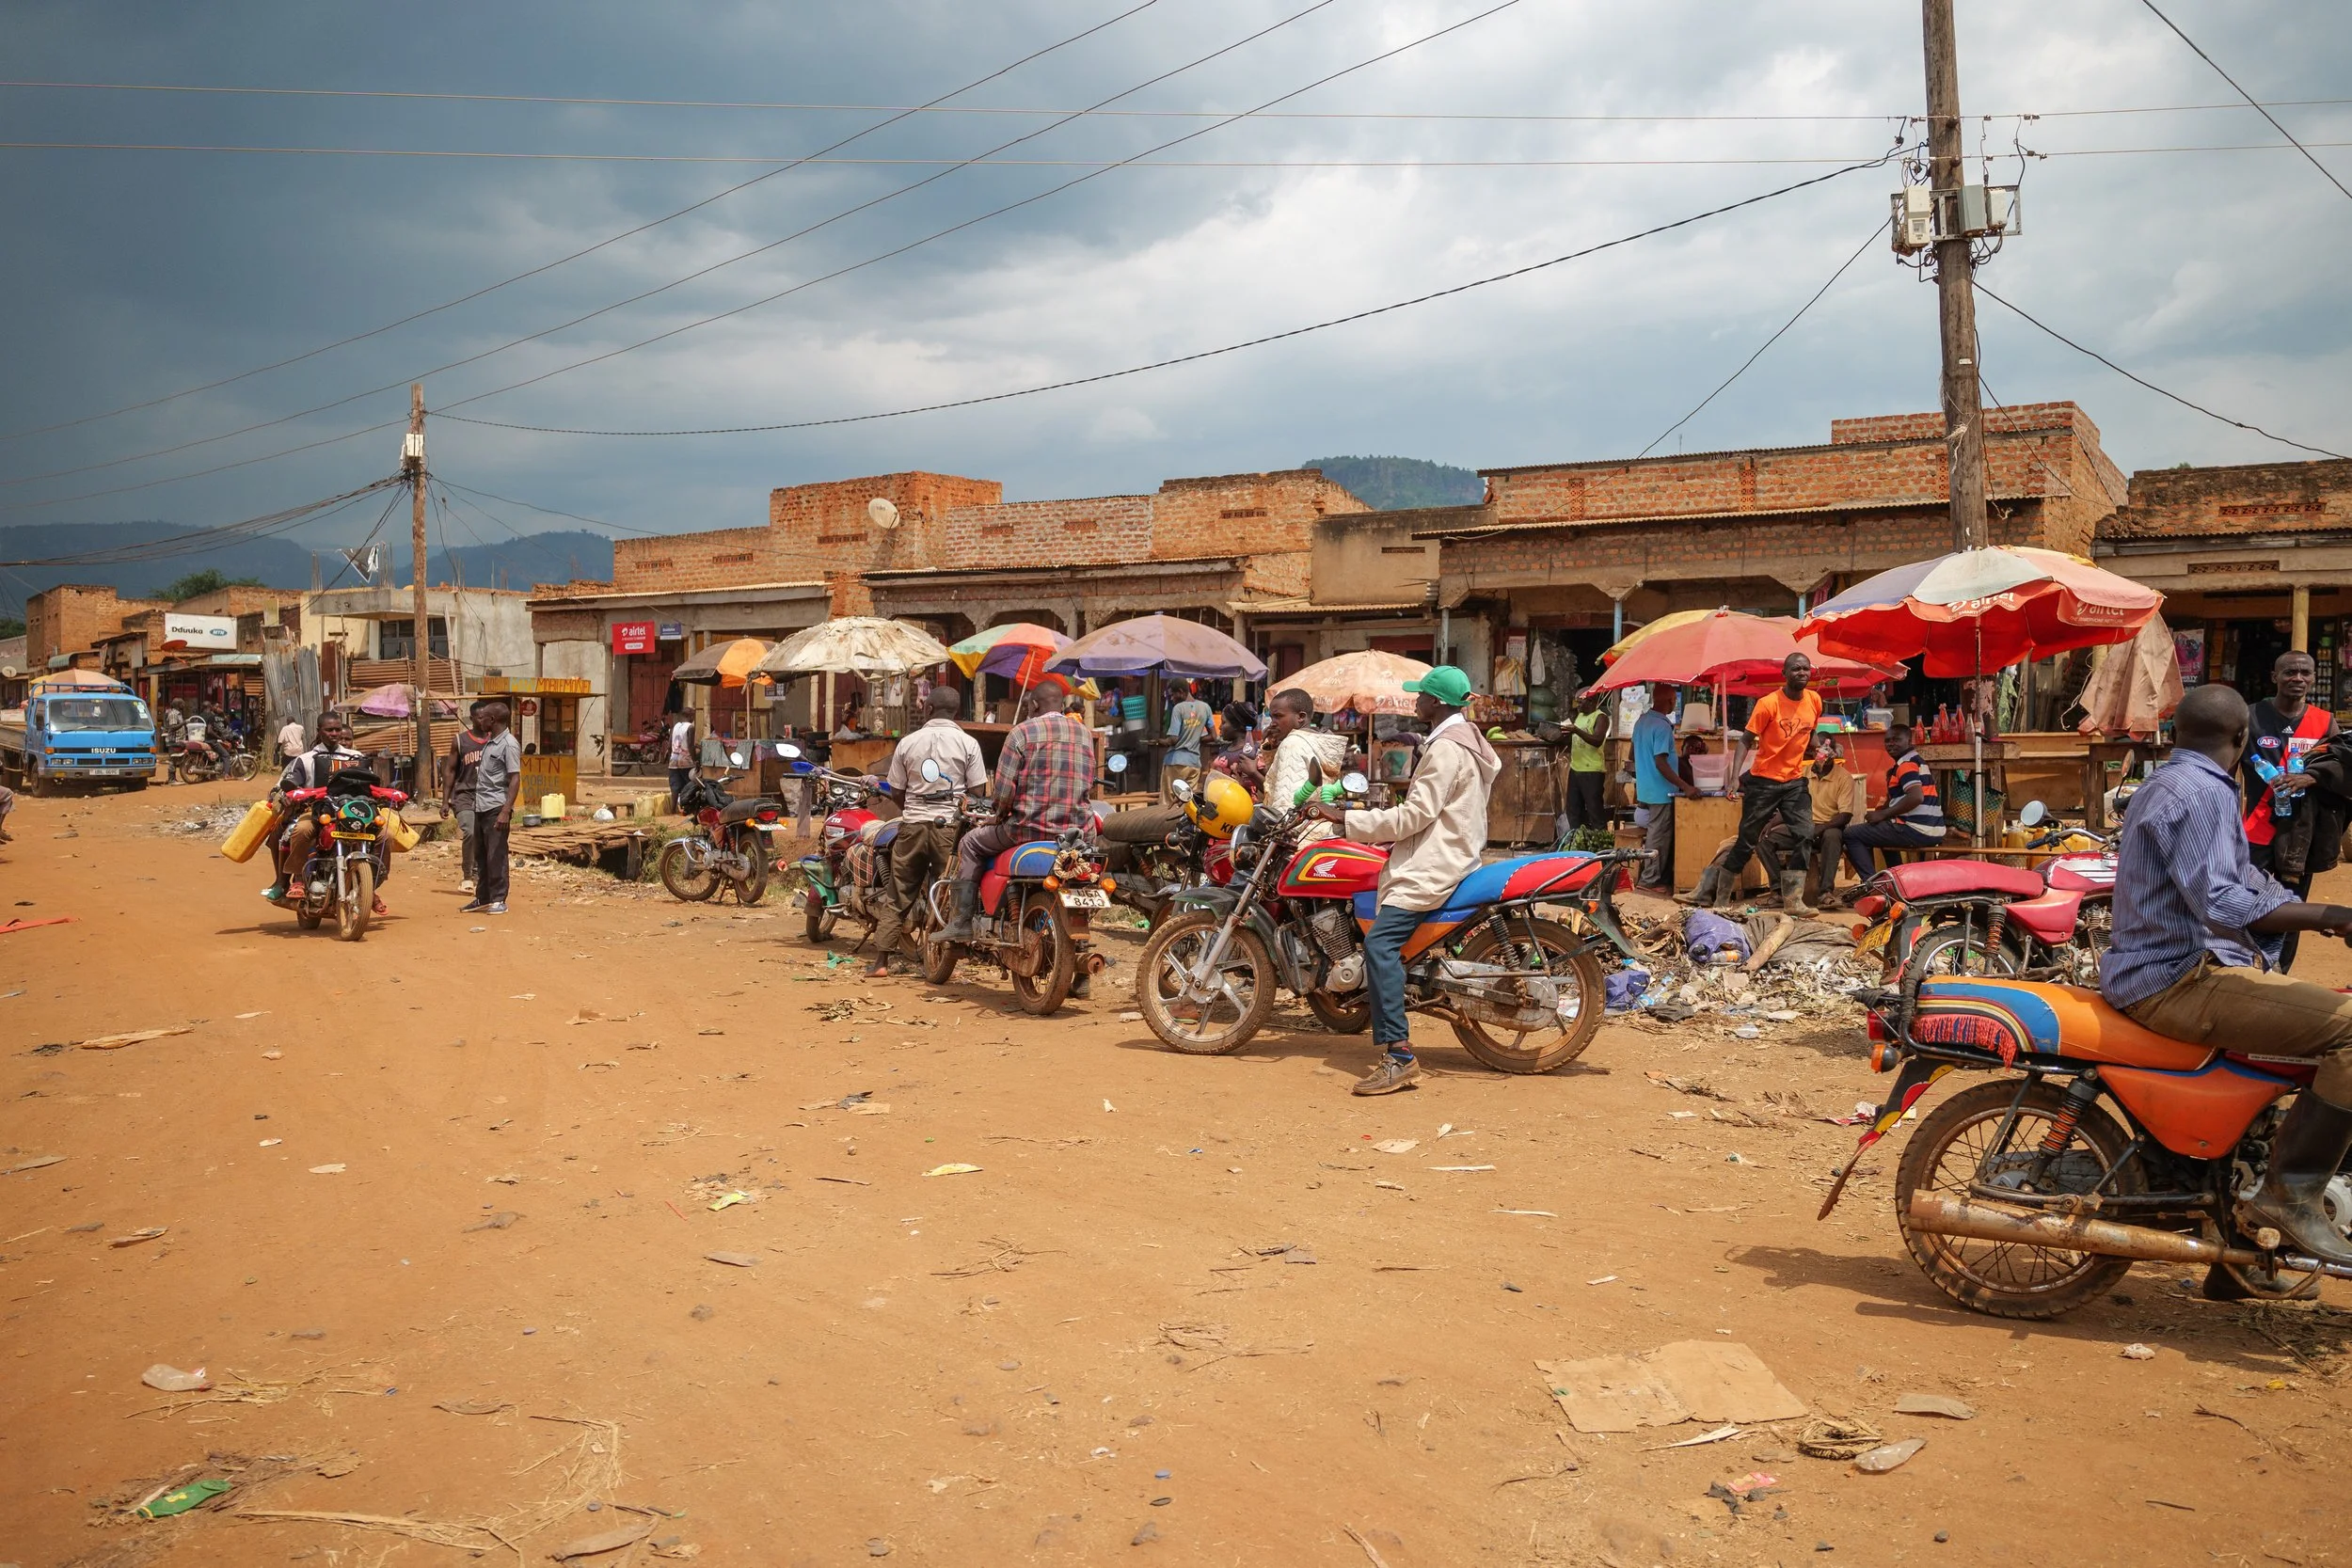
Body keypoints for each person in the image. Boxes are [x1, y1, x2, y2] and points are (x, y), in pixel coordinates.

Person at [2100, 682, 2352, 1270]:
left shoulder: (2171, 782)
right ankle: (2290, 1198)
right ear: (2243, 739)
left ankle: (2241, 1263)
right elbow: (2219, 900)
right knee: (2347, 1030)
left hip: (2171, 968)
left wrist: (2315, 914)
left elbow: (2243, 880)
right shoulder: (2205, 792)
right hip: (2176, 979)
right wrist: (2327, 915)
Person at [1307, 666, 1500, 1097]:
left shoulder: (1446, 749)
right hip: (1450, 852)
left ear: (1437, 703)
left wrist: (1348, 821)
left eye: (1421, 697)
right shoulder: (1465, 741)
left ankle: (1399, 1055)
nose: (1416, 702)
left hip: (1433, 863)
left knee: (1379, 945)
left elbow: (1416, 815)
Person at [939, 685, 1097, 942]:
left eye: (1027, 706)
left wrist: (997, 816)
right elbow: (1088, 782)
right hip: (1077, 833)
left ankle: (961, 921)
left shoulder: (1022, 732)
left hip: (1026, 829)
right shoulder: (1084, 734)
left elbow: (1003, 792)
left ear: (1034, 706)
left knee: (969, 843)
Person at [869, 685, 987, 976]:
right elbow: (977, 792)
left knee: (899, 892)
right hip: (950, 827)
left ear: (928, 709)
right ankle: (943, 958)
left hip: (912, 826)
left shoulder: (908, 743)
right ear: (957, 712)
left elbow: (897, 790)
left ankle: (881, 962)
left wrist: (912, 806)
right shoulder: (968, 743)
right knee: (945, 891)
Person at [2243, 650, 2344, 973]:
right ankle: (2245, 970)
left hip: (2302, 833)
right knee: (2248, 902)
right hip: (2256, 829)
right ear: (2275, 677)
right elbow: (2227, 765)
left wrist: (2311, 776)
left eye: (2304, 673)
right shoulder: (2250, 716)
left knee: (2292, 904)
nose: (2297, 679)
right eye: (2289, 672)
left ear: (2313, 678)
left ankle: (2280, 975)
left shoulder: (2324, 721)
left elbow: (2342, 764)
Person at [1716, 653, 1823, 915]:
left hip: (1794, 781)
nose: (1802, 673)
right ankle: (1719, 897)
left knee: (1805, 833)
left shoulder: (1815, 700)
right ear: (1784, 674)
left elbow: (1810, 731)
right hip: (1763, 781)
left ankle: (1794, 901)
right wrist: (1733, 778)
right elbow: (1745, 740)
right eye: (1796, 669)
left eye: (1806, 669)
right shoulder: (1768, 704)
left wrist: (1817, 749)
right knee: (1747, 840)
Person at [263, 711, 373, 906]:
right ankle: (297, 879)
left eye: (337, 729)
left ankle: (372, 885)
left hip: (351, 813)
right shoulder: (305, 759)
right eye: (329, 729)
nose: (334, 733)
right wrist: (287, 795)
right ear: (319, 731)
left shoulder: (356, 757)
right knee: (302, 830)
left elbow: (370, 785)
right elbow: (285, 785)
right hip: (316, 812)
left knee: (384, 835)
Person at [1841, 722, 1946, 880]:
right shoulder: (1915, 761)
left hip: (1917, 829)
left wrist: (1883, 814)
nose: (1891, 744)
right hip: (1933, 828)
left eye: (1896, 740)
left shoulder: (1906, 764)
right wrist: (1883, 811)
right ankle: (1896, 879)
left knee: (1851, 834)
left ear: (1909, 742)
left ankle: (1873, 884)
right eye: (1888, 741)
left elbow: (1916, 797)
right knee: (1879, 832)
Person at [1259, 687, 1349, 839]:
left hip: (1297, 840)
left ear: (1301, 717)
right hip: (1320, 832)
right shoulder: (1313, 742)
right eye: (1271, 717)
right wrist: (1273, 746)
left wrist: (1276, 835)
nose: (1272, 723)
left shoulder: (1292, 743)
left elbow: (1284, 805)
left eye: (1278, 716)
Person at [462, 701, 523, 916]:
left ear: (493, 720)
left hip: (496, 807)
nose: (481, 720)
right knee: (481, 854)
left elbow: (515, 778)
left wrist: (506, 811)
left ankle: (499, 899)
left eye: (484, 717)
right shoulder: (490, 742)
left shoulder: (509, 744)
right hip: (480, 806)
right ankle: (483, 897)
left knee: (496, 855)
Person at [1634, 685, 1692, 894]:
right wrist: (1685, 786)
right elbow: (1661, 762)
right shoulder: (1661, 727)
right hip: (1661, 791)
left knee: (1657, 834)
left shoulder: (1641, 722)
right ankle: (1650, 880)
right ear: (1670, 701)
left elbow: (1634, 756)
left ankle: (1655, 877)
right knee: (1659, 836)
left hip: (1645, 789)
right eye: (1674, 701)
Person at [445, 700, 493, 895]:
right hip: (464, 794)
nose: (483, 721)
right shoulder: (460, 740)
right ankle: (467, 876)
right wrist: (445, 801)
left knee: (485, 837)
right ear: (472, 718)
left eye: (486, 717)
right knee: (471, 832)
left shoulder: (495, 740)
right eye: (479, 717)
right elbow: (450, 770)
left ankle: (481, 875)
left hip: (488, 795)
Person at [1553, 686, 1613, 841]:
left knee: (1594, 811)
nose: (1578, 706)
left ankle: (1601, 846)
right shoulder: (1579, 717)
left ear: (1591, 701)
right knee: (1573, 811)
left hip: (1592, 771)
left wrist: (1576, 731)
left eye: (1581, 702)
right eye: (1577, 702)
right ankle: (1578, 842)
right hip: (1575, 769)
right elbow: (1574, 740)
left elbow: (1597, 740)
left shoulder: (1601, 718)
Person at [1162, 681, 1212, 803]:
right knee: (1188, 801)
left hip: (1175, 762)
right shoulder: (1205, 707)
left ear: (1181, 692)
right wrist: (1195, 739)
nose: (1172, 699)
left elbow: (1173, 739)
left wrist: (1162, 741)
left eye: (1173, 695)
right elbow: (1213, 736)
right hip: (1194, 763)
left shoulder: (1178, 708)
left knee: (1169, 802)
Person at [666, 708, 697, 814]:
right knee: (688, 786)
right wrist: (695, 761)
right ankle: (687, 809)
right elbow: (690, 746)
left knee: (675, 787)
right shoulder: (690, 727)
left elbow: (670, 744)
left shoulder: (675, 726)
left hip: (673, 760)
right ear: (691, 716)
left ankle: (672, 810)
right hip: (686, 760)